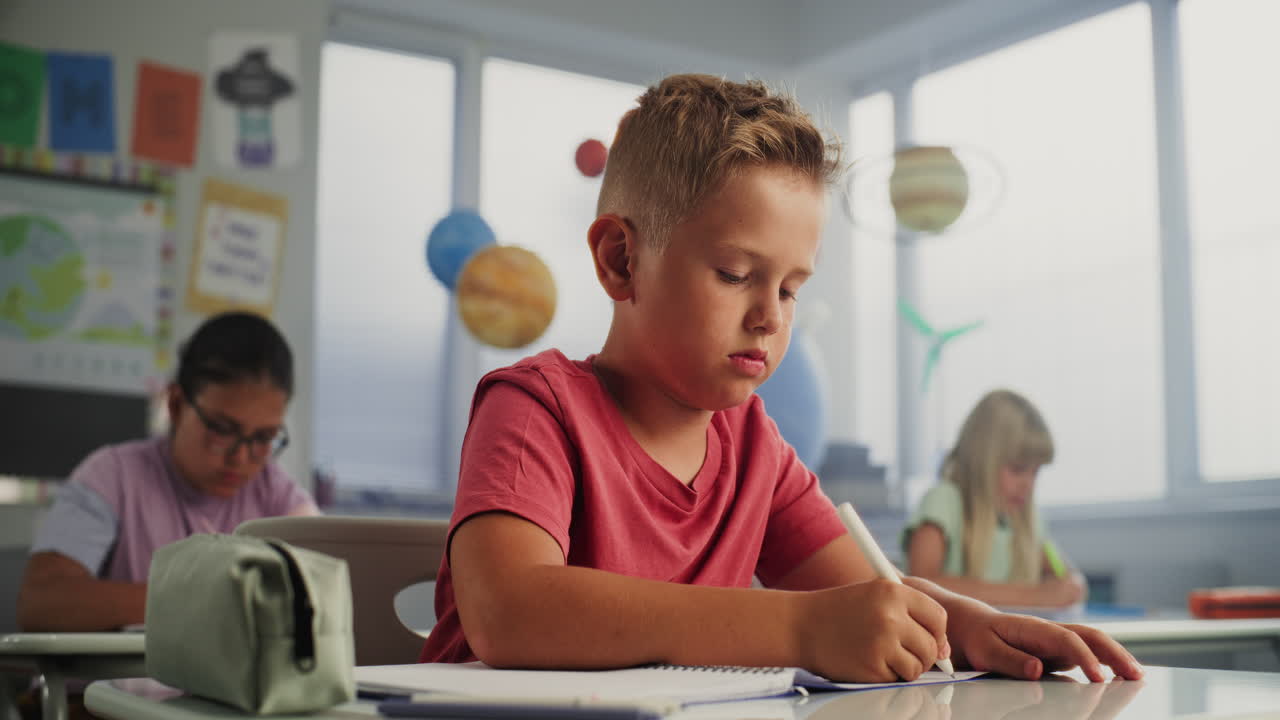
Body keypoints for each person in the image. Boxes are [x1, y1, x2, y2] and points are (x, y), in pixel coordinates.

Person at [421, 73, 1141, 683]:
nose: (769, 316)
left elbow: (862, 596)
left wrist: (971, 625)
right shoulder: (535, 409)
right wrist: (800, 629)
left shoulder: (753, 445)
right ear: (619, 260)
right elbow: (512, 613)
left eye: (792, 288)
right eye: (737, 274)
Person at [17, 311, 318, 632]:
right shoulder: (112, 477)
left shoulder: (281, 500)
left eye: (263, 438)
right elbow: (42, 603)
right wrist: (211, 600)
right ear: (176, 405)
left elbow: (326, 598)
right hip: (111, 684)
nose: (241, 457)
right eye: (221, 429)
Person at [903, 389, 1088, 609]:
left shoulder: (1026, 520)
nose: (1028, 484)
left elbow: (1066, 577)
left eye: (1035, 472)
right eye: (1018, 469)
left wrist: (1071, 585)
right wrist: (1035, 595)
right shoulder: (944, 502)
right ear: (981, 461)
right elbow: (921, 584)